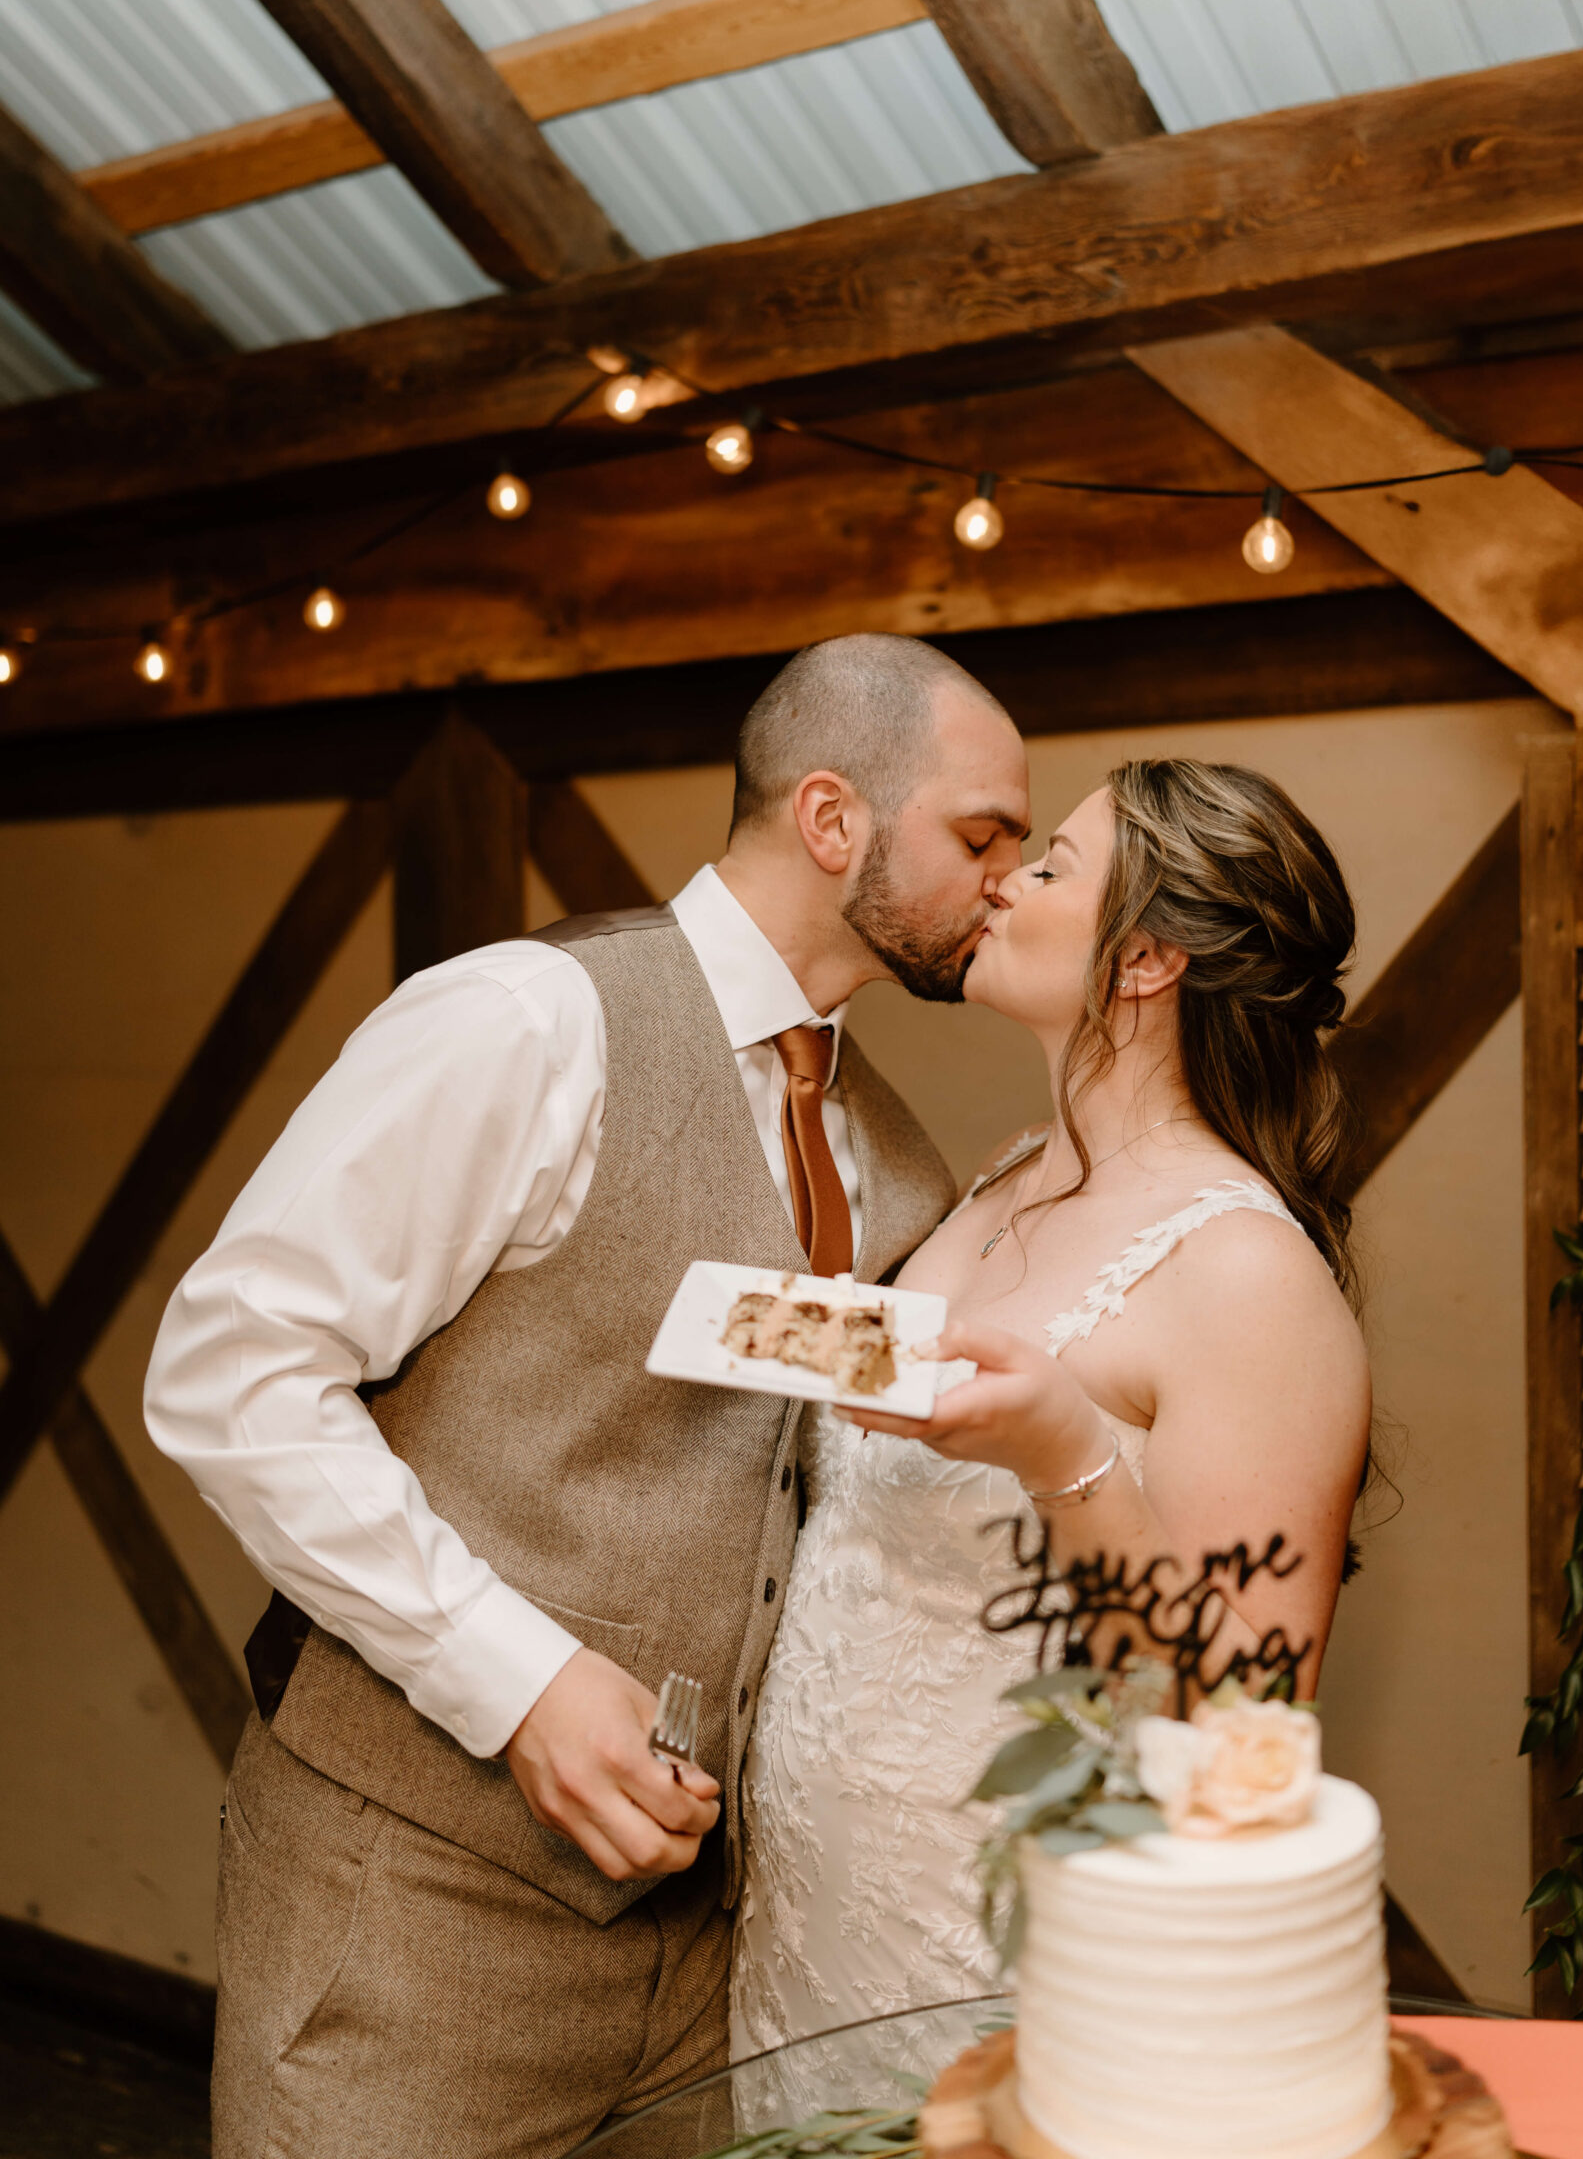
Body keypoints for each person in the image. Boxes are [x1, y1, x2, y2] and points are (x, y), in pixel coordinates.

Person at [143, 634, 1031, 2159]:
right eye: (981, 835)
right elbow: (233, 1372)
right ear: (833, 822)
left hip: (698, 1970)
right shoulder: (527, 1022)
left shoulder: (897, 1158)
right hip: (413, 1915)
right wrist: (523, 1681)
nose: (1007, 879)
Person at [732, 757, 1373, 2054]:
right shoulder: (1005, 1180)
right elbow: (875, 1406)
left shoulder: (1249, 1276)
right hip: (804, 1937)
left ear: (1143, 962)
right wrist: (719, 1309)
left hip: (1002, 1953)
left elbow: (1241, 1716)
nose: (1004, 882)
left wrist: (1068, 1454)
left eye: (1051, 866)